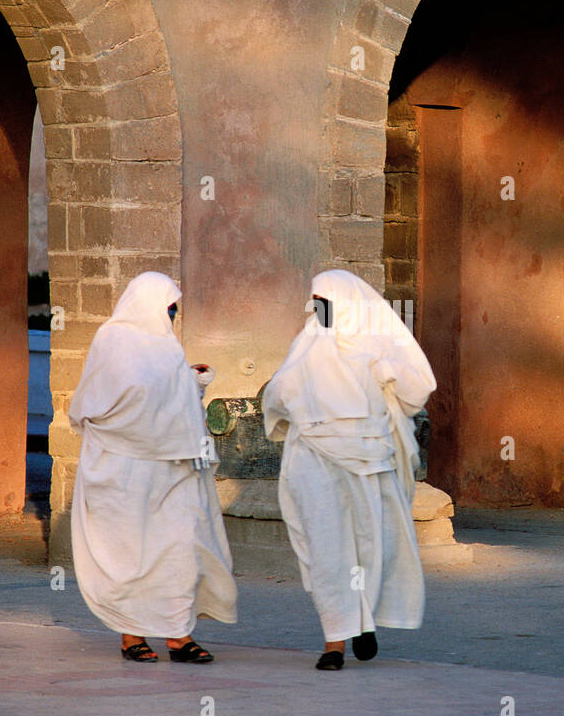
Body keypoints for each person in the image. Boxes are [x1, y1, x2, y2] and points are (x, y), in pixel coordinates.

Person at [262, 269, 436, 670]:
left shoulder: (375, 344)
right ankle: (334, 641)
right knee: (327, 551)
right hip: (314, 462)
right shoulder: (306, 344)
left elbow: (414, 391)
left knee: (373, 545)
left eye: (325, 302)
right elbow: (279, 395)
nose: (318, 310)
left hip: (368, 460)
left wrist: (385, 374)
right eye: (315, 302)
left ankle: (363, 618)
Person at [68, 271, 237, 663]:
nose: (173, 315)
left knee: (180, 547)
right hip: (125, 470)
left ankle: (179, 636)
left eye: (175, 309)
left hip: (174, 468)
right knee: (133, 553)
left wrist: (192, 383)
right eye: (169, 307)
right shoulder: (112, 339)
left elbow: (170, 403)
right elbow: (91, 403)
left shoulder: (168, 347)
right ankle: (133, 636)